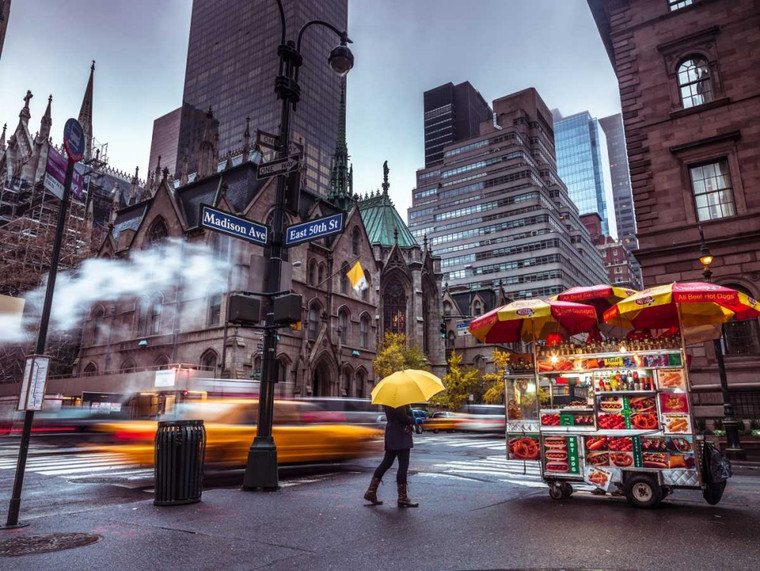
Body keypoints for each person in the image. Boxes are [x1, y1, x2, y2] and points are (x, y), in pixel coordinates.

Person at [363, 404, 419, 508]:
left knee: (386, 463)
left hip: (392, 433)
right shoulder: (401, 400)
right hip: (401, 435)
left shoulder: (389, 400)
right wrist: (413, 419)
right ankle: (402, 498)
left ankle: (371, 492)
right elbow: (402, 417)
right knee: (403, 465)